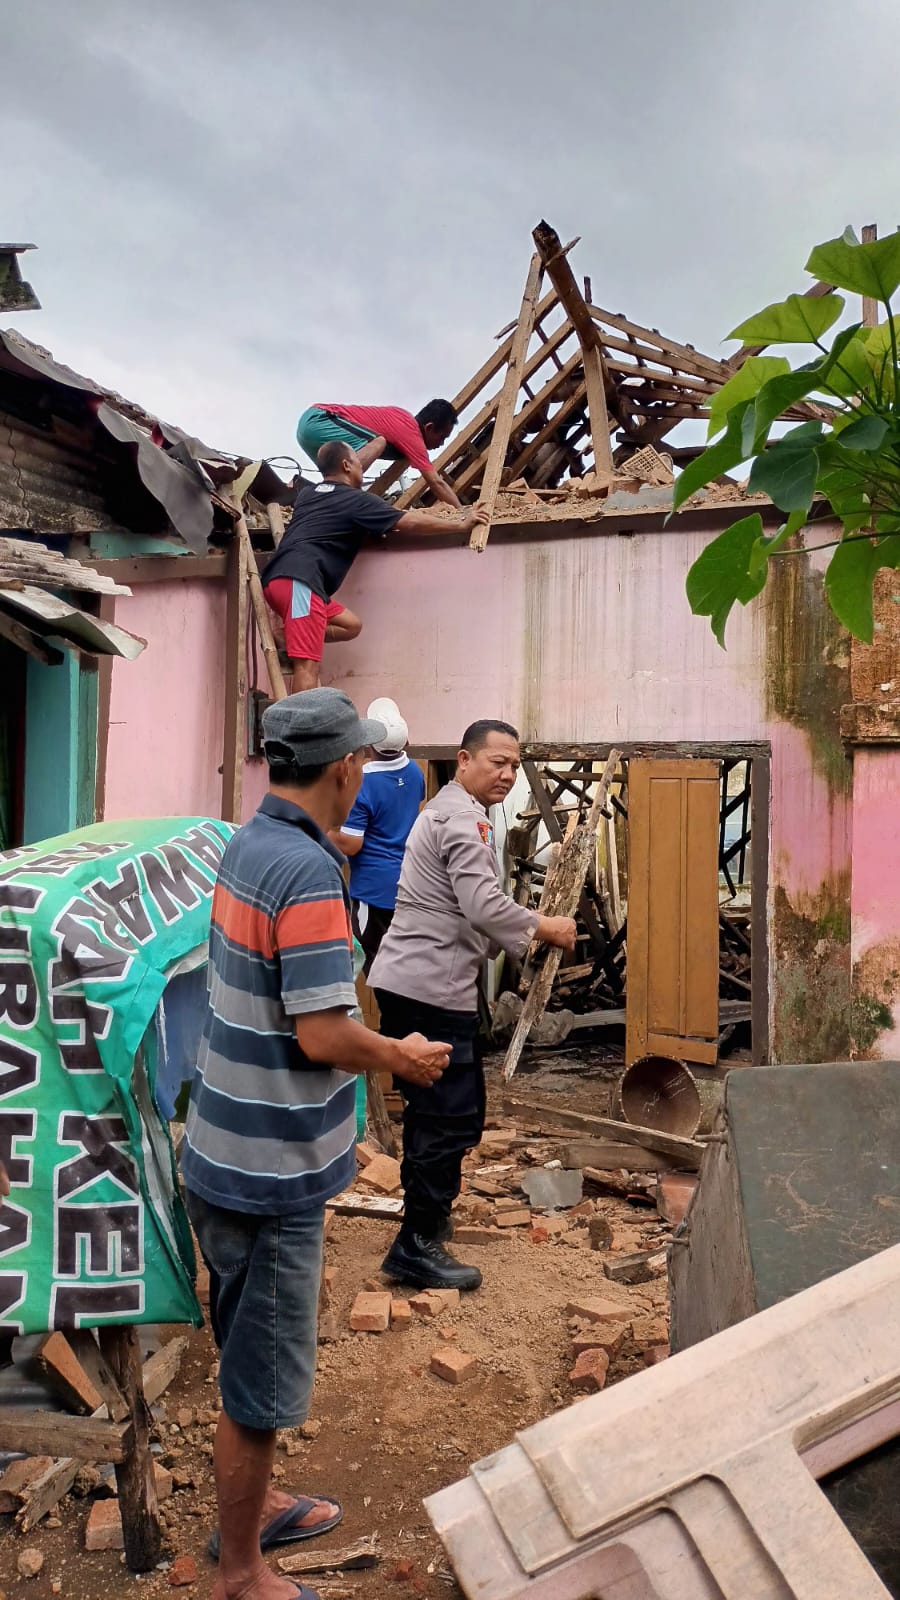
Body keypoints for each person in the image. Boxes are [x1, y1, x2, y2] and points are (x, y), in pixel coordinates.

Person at [180, 688, 450, 1600]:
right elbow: (324, 1035)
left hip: (223, 1147)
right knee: (260, 1383)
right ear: (346, 768)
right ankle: (242, 1572)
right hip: (271, 1171)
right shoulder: (305, 875)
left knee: (244, 1348)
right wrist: (400, 1056)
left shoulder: (249, 844)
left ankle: (255, 1509)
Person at [369, 719, 577, 1292]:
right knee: (447, 1114)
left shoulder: (450, 812)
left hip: (423, 980)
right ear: (464, 760)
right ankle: (415, 1245)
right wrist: (545, 926)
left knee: (438, 1109)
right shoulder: (461, 818)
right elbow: (483, 905)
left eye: (515, 765)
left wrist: (510, 937)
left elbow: (469, 912)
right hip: (429, 986)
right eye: (497, 762)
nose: (507, 774)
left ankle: (428, 1225)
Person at [262, 441, 487, 693]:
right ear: (346, 465)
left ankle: (286, 635)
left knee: (350, 625)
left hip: (280, 581)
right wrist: (459, 525)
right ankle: (300, 732)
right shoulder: (356, 501)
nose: (363, 468)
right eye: (359, 463)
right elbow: (407, 521)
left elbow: (329, 522)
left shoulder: (307, 495)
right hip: (300, 584)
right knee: (307, 666)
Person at [333, 697, 425, 975]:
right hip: (407, 883)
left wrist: (322, 828)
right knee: (402, 967)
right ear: (406, 743)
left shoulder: (364, 782)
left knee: (373, 965)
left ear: (369, 745)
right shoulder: (415, 772)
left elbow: (351, 844)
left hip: (373, 892)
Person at [296, 399, 462, 507]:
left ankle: (325, 496)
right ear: (429, 427)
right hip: (321, 419)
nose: (441, 443)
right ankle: (339, 492)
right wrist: (461, 512)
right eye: (442, 437)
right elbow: (436, 482)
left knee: (334, 477)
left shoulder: (402, 418)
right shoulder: (411, 433)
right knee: (378, 442)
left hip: (309, 429)